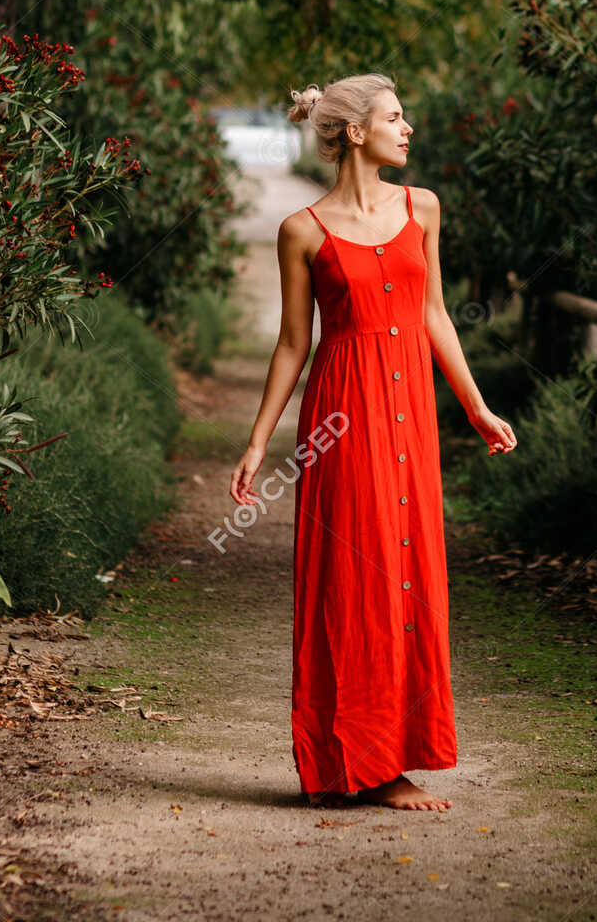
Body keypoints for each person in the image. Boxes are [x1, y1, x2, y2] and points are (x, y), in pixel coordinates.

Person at [230, 72, 517, 811]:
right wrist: (260, 440)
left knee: (410, 574)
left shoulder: (423, 208)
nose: (408, 127)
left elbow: (436, 317)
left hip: (410, 413)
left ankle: (398, 756)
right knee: (353, 585)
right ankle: (350, 762)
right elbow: (294, 343)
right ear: (356, 132)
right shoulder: (302, 229)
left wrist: (477, 408)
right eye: (396, 117)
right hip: (341, 419)